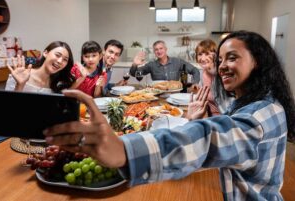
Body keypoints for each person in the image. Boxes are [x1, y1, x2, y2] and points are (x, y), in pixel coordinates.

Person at [44, 31, 295, 200]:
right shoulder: (265, 103)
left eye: (232, 58)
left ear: (258, 61)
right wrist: (196, 120)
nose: (221, 66)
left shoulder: (256, 119)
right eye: (220, 60)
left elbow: (207, 140)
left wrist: (122, 150)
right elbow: (139, 74)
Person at [5, 41, 74, 93]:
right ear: (45, 53)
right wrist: (20, 85)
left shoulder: (58, 84)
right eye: (57, 55)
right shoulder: (19, 75)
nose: (60, 61)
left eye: (65, 59)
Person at [129, 40, 200, 83]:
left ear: (166, 49)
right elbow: (134, 74)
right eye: (156, 49)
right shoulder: (151, 65)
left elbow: (195, 70)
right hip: (158, 95)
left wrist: (195, 83)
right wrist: (135, 64)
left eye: (161, 48)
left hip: (175, 94)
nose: (159, 51)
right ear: (154, 52)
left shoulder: (177, 62)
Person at [193, 39, 221, 116]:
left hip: (223, 119)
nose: (203, 58)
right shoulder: (203, 72)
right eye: (200, 54)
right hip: (209, 115)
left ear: (215, 55)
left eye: (207, 54)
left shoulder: (221, 74)